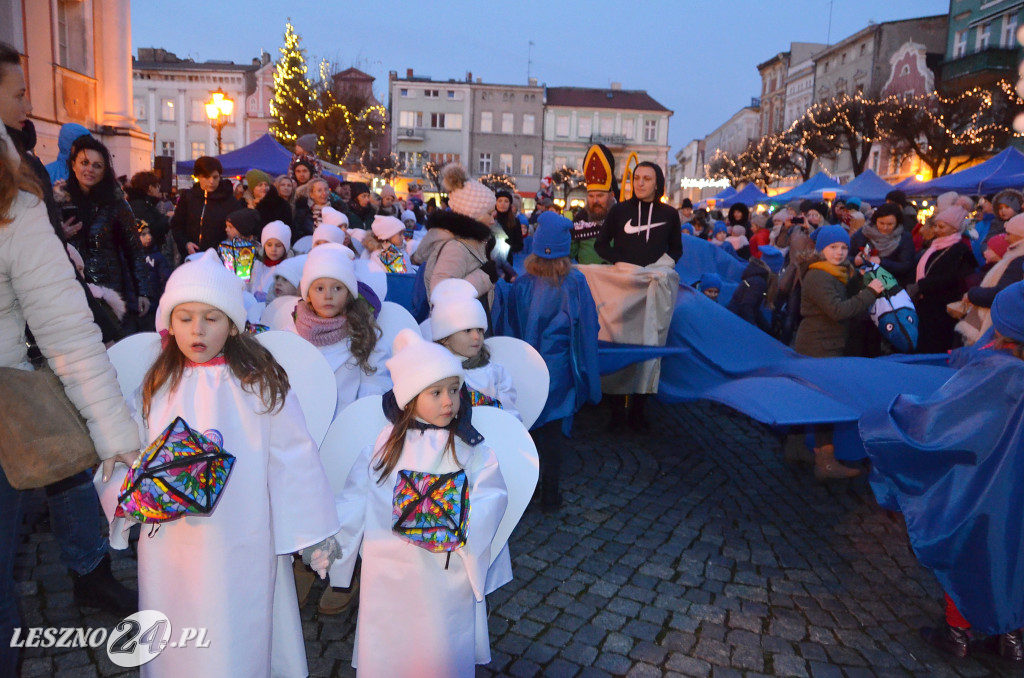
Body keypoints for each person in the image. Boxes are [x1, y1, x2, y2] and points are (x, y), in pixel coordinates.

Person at [97, 250, 339, 678]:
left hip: (240, 536)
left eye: (211, 317)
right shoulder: (157, 384)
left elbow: (293, 454)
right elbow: (130, 449)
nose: (198, 330)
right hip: (172, 540)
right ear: (169, 323)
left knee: (236, 628)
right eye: (186, 317)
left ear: (232, 324)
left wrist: (312, 531)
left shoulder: (258, 384)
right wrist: (125, 497)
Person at [0, 124, 141, 675]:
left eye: (95, 165)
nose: (87, 173)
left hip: (13, 400)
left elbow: (65, 328)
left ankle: (90, 569)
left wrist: (114, 433)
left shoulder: (21, 209)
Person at [319, 328, 507, 677]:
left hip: (443, 577)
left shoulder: (467, 446)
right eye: (435, 393)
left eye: (454, 390)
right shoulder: (386, 445)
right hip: (390, 576)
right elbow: (358, 496)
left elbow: (492, 493)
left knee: (438, 648)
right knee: (392, 648)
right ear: (409, 398)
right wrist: (333, 542)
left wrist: (463, 522)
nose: (449, 401)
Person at [862, 281, 1024, 663]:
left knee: (970, 542)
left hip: (987, 482)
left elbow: (940, 420)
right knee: (1015, 550)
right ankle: (1012, 637)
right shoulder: (995, 366)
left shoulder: (998, 372)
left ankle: (957, 632)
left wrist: (889, 419)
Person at [492, 212, 601, 510]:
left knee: (530, 429)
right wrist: (590, 376)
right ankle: (551, 494)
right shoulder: (576, 283)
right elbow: (588, 327)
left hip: (527, 367)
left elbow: (510, 325)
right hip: (560, 368)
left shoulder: (524, 283)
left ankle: (530, 491)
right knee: (553, 432)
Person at [792, 224, 884, 479]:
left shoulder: (839, 272)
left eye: (844, 247)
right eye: (833, 247)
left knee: (815, 401)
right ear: (822, 250)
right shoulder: (818, 275)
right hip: (819, 344)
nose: (839, 252)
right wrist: (869, 293)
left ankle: (797, 449)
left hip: (829, 343)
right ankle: (825, 462)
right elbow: (838, 311)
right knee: (824, 404)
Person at [64, 135, 152, 325]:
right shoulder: (59, 201)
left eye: (97, 165)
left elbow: (134, 252)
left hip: (108, 293)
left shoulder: (116, 204)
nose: (90, 170)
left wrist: (142, 292)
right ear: (73, 165)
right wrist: (59, 234)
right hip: (69, 289)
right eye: (84, 162)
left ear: (105, 171)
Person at [430, 278, 519, 418]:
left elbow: (510, 415)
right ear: (445, 337)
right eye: (467, 330)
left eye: (480, 330)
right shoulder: (433, 374)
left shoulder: (494, 373)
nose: (477, 337)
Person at [412, 164, 499, 304]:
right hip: (458, 323)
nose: (493, 221)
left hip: (468, 322)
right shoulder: (456, 247)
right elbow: (441, 295)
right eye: (489, 214)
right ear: (473, 214)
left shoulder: (470, 241)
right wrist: (485, 276)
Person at [908, 205, 977, 353]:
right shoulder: (934, 247)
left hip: (944, 308)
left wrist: (922, 285)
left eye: (942, 227)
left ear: (954, 229)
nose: (937, 230)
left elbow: (952, 278)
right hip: (926, 304)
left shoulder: (960, 251)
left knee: (937, 345)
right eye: (936, 226)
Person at [594, 161, 682, 267]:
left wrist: (663, 266)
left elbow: (676, 249)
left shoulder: (670, 214)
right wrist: (619, 261)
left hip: (655, 279)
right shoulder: (619, 210)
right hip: (624, 278)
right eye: (636, 178)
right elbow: (600, 244)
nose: (640, 183)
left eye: (647, 179)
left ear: (657, 184)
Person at [957, 213, 1024, 345]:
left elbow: (1002, 293)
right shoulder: (1014, 256)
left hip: (1000, 328)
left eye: (1009, 234)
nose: (1006, 238)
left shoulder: (1018, 260)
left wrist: (972, 294)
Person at [170, 156, 242, 257]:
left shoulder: (230, 201)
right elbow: (177, 225)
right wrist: (185, 243)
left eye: (215, 177)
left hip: (220, 257)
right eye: (206, 177)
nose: (211, 181)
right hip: (192, 256)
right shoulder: (188, 197)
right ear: (198, 177)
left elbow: (238, 229)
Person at [571, 144, 617, 264]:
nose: (595, 201)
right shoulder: (580, 219)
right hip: (586, 281)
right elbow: (570, 252)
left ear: (611, 196)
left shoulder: (622, 217)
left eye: (600, 196)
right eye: (591, 196)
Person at [850, 203, 916, 287]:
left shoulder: (904, 238)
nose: (885, 228)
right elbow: (846, 257)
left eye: (890, 224)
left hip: (892, 287)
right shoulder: (863, 233)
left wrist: (881, 262)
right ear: (875, 220)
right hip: (861, 285)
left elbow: (906, 266)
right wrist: (855, 260)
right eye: (881, 223)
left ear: (897, 223)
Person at [126, 170, 177, 268]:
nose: (159, 189)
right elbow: (150, 228)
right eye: (157, 186)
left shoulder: (142, 203)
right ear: (150, 188)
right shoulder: (140, 205)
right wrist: (168, 218)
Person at [728, 245, 783, 333]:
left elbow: (754, 308)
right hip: (736, 322)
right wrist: (753, 330)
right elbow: (746, 307)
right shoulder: (759, 283)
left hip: (734, 318)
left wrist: (767, 329)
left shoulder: (757, 278)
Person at [249, 220, 292, 302]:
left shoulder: (287, 269)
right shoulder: (257, 265)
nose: (273, 249)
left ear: (285, 247)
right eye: (269, 245)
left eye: (278, 245)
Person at [492, 188, 524, 266]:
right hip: (489, 260)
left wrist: (507, 248)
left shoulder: (515, 221)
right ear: (495, 203)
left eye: (506, 201)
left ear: (510, 204)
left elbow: (519, 245)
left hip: (506, 262)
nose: (503, 204)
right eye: (500, 201)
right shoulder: (489, 219)